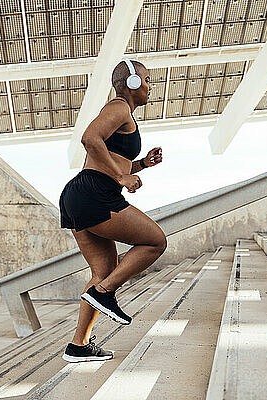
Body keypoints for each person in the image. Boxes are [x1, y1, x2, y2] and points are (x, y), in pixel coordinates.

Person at [60, 59, 167, 363]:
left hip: (80, 195)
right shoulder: (119, 106)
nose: (149, 86)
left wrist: (142, 164)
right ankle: (104, 293)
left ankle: (78, 345)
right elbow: (89, 139)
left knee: (102, 270)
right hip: (95, 192)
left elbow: (110, 158)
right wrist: (121, 178)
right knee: (156, 241)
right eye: (147, 79)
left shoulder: (122, 113)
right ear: (132, 83)